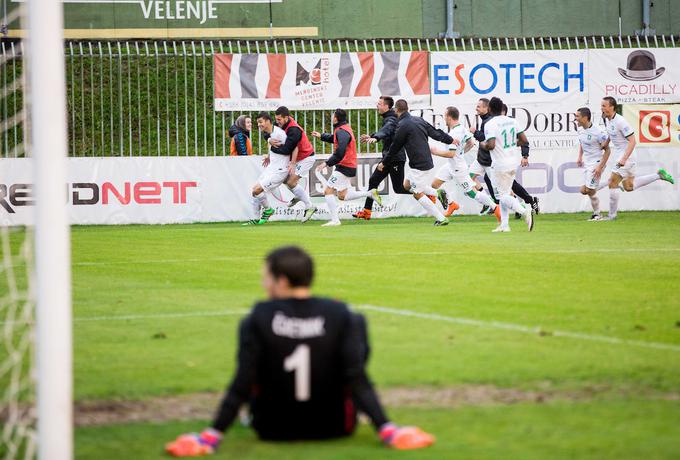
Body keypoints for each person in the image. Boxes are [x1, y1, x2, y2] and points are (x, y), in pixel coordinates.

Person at [165, 246, 435, 456]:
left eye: (266, 278)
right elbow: (356, 376)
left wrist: (211, 437)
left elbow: (243, 382)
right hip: (336, 427)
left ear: (282, 281)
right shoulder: (340, 313)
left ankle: (248, 417)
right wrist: (388, 430)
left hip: (271, 428)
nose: (264, 284)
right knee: (357, 323)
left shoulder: (258, 316)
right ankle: (366, 416)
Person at [380, 99, 453, 226]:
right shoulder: (419, 120)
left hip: (420, 165)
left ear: (396, 110)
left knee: (416, 193)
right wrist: (450, 140)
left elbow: (394, 147)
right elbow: (435, 132)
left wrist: (384, 162)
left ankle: (441, 218)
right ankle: (438, 193)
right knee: (406, 185)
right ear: (407, 108)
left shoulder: (402, 125)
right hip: (421, 163)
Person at [601, 96, 675, 220]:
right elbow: (611, 132)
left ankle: (611, 216)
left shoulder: (621, 121)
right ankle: (659, 175)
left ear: (612, 107)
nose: (601, 108)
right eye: (601, 105)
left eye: (604, 106)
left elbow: (632, 141)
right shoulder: (607, 119)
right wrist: (607, 142)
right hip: (623, 155)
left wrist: (624, 159)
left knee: (613, 182)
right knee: (628, 187)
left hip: (626, 156)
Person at [312, 109, 382, 227]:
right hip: (347, 165)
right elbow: (335, 139)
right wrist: (321, 136)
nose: (332, 118)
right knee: (342, 196)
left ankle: (335, 221)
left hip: (345, 166)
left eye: (333, 116)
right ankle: (369, 193)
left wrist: (326, 163)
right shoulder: (343, 129)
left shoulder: (342, 131)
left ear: (335, 118)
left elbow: (340, 151)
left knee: (328, 191)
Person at [429, 106, 500, 221]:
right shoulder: (461, 128)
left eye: (444, 116)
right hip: (450, 165)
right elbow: (471, 143)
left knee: (473, 193)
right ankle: (452, 204)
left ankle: (495, 207)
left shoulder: (454, 134)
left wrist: (436, 152)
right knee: (434, 185)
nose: (444, 118)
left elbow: (451, 154)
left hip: (457, 168)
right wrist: (461, 153)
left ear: (449, 117)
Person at [479, 97, 533, 233]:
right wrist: (511, 144)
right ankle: (504, 225)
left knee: (501, 196)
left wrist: (482, 144)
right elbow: (524, 140)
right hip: (512, 162)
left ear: (490, 109)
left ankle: (524, 211)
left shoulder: (490, 124)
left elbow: (490, 145)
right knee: (505, 194)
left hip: (499, 164)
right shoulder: (513, 121)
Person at [353, 96, 410, 220]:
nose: (377, 106)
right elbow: (387, 131)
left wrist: (377, 137)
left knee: (399, 188)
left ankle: (427, 193)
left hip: (395, 158)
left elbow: (387, 129)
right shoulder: (389, 118)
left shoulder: (391, 118)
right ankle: (366, 212)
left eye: (379, 104)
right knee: (373, 180)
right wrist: (373, 135)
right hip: (388, 158)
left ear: (387, 106)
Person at [243, 112, 297, 226]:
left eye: (260, 122)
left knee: (256, 190)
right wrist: (269, 154)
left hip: (280, 171)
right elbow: (270, 142)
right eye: (257, 123)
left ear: (268, 121)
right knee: (254, 191)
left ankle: (268, 210)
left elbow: (295, 147)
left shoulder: (280, 133)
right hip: (271, 168)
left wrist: (292, 163)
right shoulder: (269, 133)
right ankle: (256, 219)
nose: (259, 125)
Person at [270, 106, 318, 222]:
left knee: (291, 182)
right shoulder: (281, 125)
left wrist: (274, 150)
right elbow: (269, 133)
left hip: (306, 158)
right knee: (285, 180)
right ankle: (299, 196)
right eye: (276, 119)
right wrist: (269, 140)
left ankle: (309, 206)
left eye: (279, 119)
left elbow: (290, 148)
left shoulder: (293, 130)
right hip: (298, 159)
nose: (277, 122)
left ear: (286, 118)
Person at [501, 104, 540, 219]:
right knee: (508, 185)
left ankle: (523, 205)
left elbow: (524, 140)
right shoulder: (493, 123)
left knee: (508, 185)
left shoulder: (511, 124)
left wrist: (525, 155)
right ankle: (525, 203)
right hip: (497, 160)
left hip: (507, 160)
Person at [575, 107, 611, 221]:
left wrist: (600, 167)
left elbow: (608, 151)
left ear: (585, 118)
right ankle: (610, 182)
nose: (576, 119)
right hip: (587, 162)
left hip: (597, 162)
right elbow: (582, 142)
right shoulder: (580, 130)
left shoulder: (598, 132)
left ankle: (597, 214)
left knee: (590, 190)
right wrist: (580, 156)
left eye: (577, 116)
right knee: (583, 190)